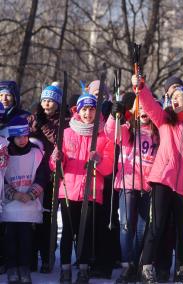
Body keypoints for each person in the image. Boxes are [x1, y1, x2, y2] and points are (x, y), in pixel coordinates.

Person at [131, 76, 183, 283]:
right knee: (156, 225)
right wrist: (140, 87)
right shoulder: (165, 119)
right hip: (162, 179)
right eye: (173, 96)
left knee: (182, 230)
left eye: (180, 96)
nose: (174, 99)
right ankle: (147, 266)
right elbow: (149, 105)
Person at [50, 92, 114, 284]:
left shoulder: (104, 134)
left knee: (86, 231)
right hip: (69, 189)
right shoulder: (68, 132)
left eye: (92, 109)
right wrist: (56, 159)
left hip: (92, 190)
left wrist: (98, 160)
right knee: (68, 231)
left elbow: (109, 166)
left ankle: (84, 267)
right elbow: (54, 164)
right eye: (84, 109)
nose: (88, 113)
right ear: (77, 110)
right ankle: (65, 268)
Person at [104, 94, 160, 283]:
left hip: (148, 185)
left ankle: (135, 263)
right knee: (126, 225)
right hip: (128, 182)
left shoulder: (157, 132)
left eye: (147, 109)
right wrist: (114, 116)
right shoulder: (129, 129)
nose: (144, 113)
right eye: (140, 109)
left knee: (142, 228)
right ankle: (127, 264)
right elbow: (112, 134)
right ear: (135, 111)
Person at [27, 83, 69, 273]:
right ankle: (31, 256)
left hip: (55, 174)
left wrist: (44, 125)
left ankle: (47, 255)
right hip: (35, 172)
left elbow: (60, 140)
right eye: (44, 100)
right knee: (34, 216)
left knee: (49, 217)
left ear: (58, 103)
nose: (47, 104)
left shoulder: (65, 121)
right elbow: (26, 138)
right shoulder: (36, 118)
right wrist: (36, 124)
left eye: (50, 101)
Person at [2, 116, 49, 284]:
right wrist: (13, 194)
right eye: (18, 137)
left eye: (24, 136)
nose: (22, 140)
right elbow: (2, 177)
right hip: (10, 203)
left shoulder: (37, 152)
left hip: (29, 202)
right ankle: (12, 267)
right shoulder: (5, 153)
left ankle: (24, 267)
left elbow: (43, 175)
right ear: (12, 137)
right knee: (10, 237)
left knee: (26, 238)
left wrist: (31, 194)